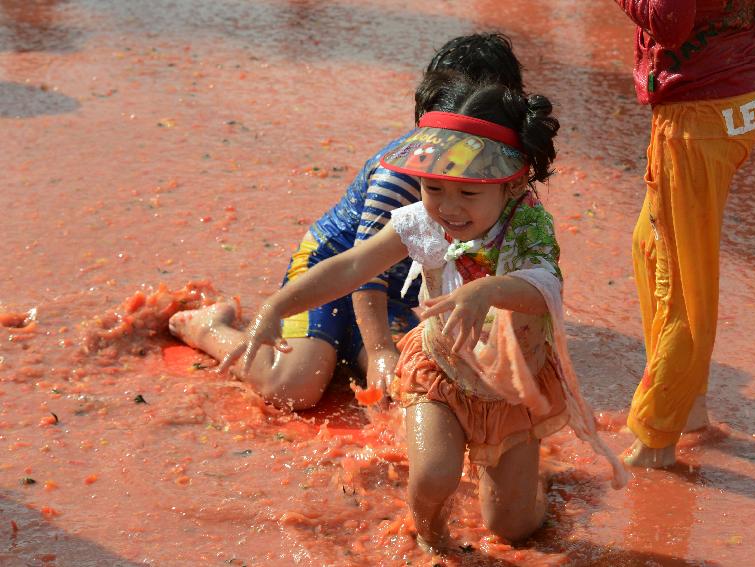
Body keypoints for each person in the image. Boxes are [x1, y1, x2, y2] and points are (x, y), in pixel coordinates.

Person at [217, 72, 628, 550]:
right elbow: (353, 265)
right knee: (433, 477)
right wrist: (276, 305)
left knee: (512, 527)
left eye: (468, 193)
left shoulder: (528, 227)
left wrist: (485, 291)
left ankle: (530, 483)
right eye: (434, 188)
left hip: (512, 386)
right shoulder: (422, 220)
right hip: (441, 371)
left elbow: (543, 288)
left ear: (512, 184)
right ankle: (433, 543)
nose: (448, 207)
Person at [169, 33, 525, 410]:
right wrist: (380, 350)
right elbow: (360, 268)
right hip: (331, 268)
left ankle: (347, 344)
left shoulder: (501, 181)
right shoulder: (402, 176)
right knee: (292, 387)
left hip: (392, 291)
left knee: (411, 388)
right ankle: (209, 328)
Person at [615, 0, 755, 467]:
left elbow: (670, 23)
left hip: (698, 112)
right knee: (650, 246)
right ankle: (688, 405)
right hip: (745, 96)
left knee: (679, 282)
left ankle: (656, 437)